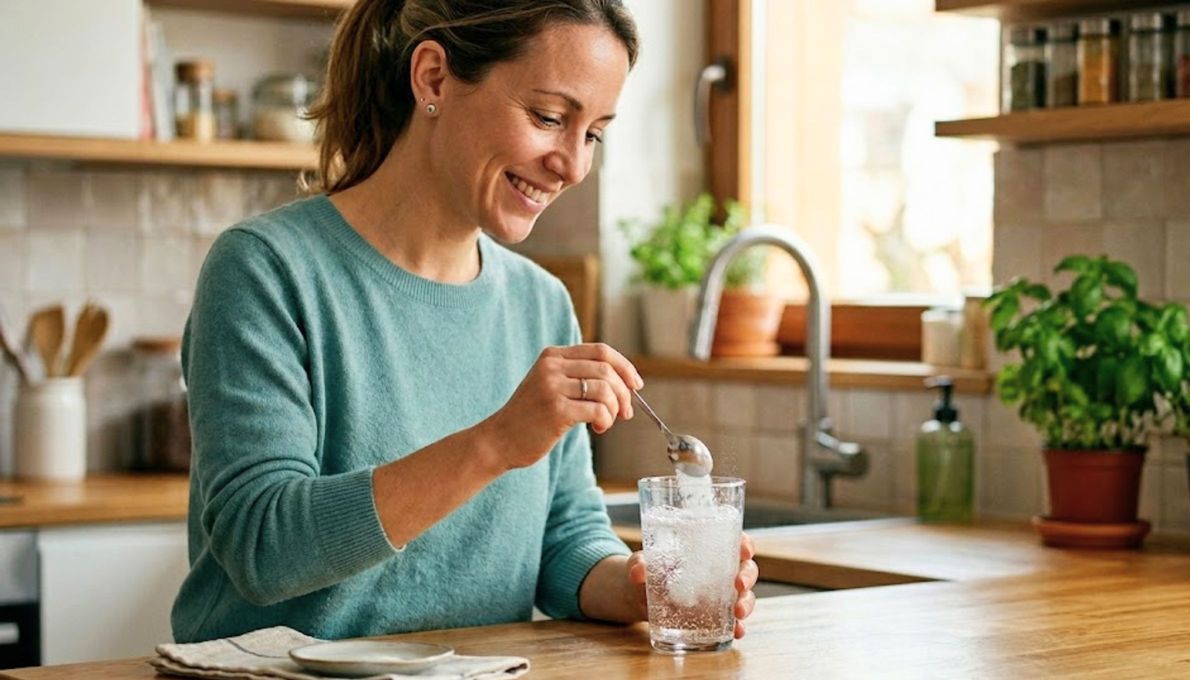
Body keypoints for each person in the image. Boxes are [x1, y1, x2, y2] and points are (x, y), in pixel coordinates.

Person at [171, 0, 758, 643]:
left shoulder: (542, 302)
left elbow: (562, 539)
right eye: (548, 117)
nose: (573, 164)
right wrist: (496, 443)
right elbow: (263, 548)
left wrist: (640, 586)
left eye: (591, 133)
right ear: (434, 79)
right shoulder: (266, 270)